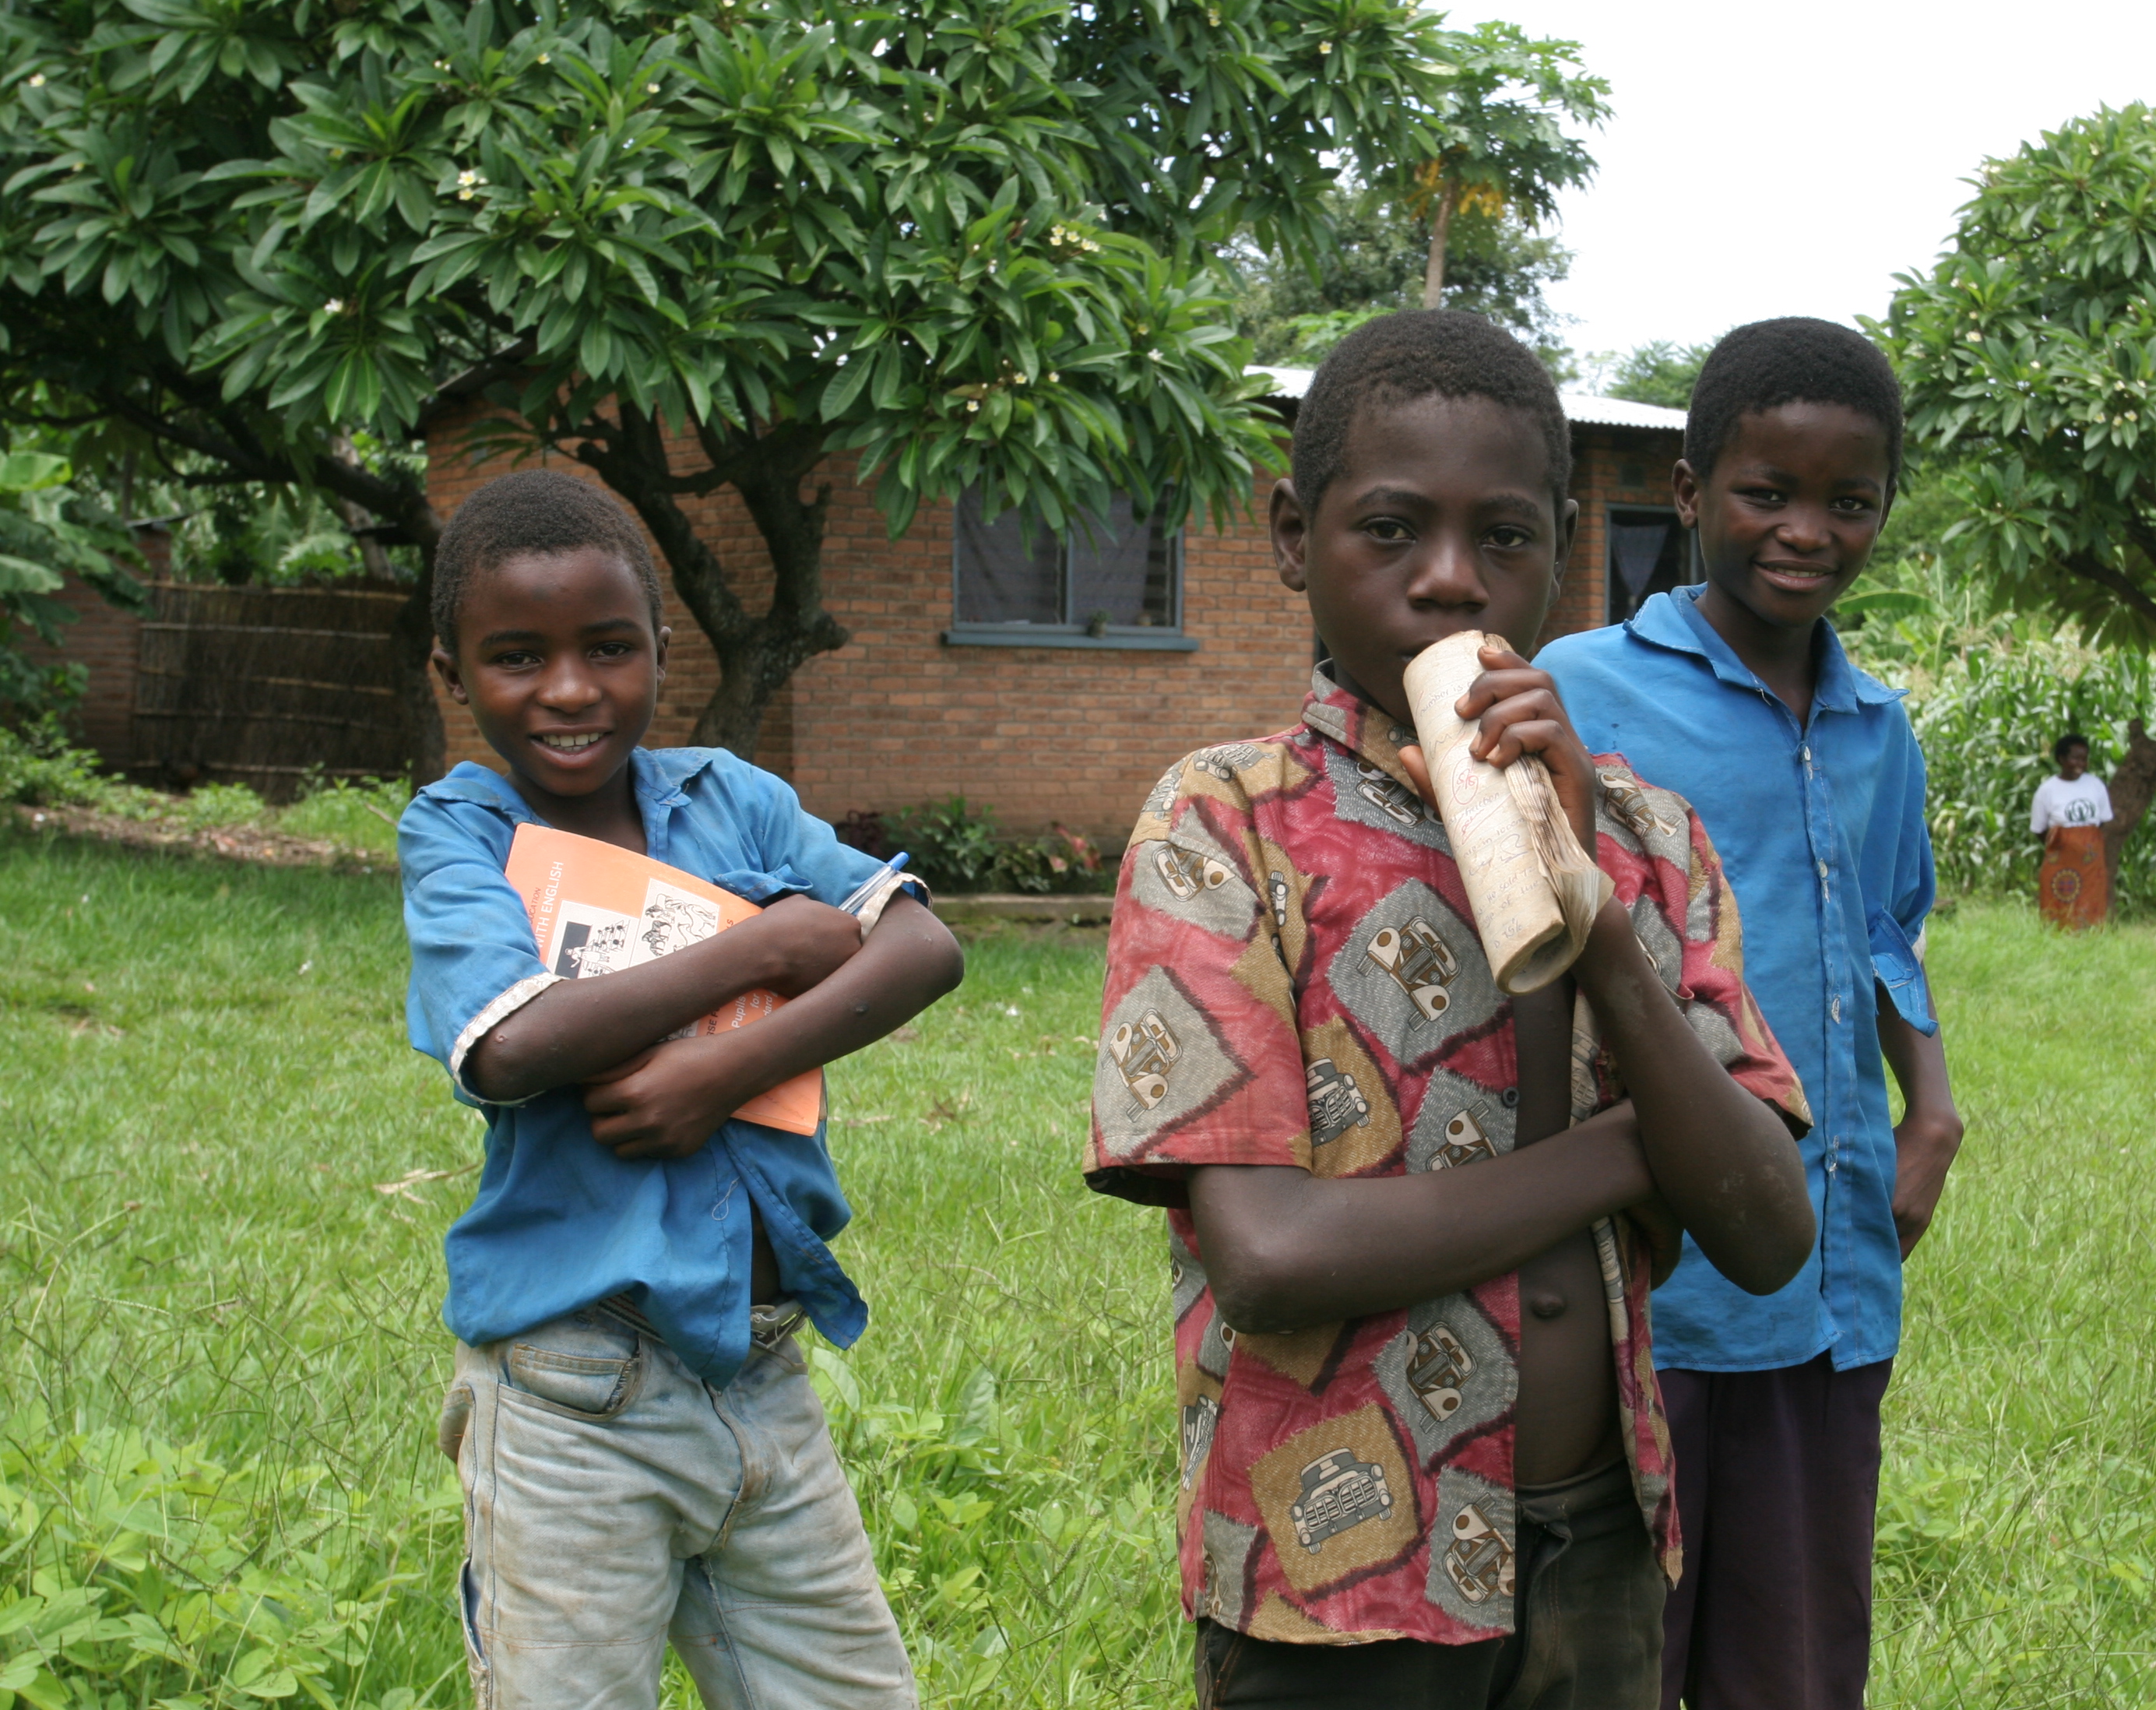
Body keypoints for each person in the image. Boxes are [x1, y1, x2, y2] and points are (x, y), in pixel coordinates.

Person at [1082, 311, 1817, 1710]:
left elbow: (1770, 1227)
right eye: (1389, 531)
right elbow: (1273, 1257)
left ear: (1561, 546)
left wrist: (1595, 920)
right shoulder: (1224, 823)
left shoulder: (1648, 834)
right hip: (1333, 1584)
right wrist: (1626, 1153)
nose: (1447, 582)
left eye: (1504, 539)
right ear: (1295, 537)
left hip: (1597, 1546)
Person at [400, 470, 964, 1707]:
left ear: (662, 647)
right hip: (567, 1397)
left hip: (763, 1379)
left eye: (609, 649)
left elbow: (924, 945)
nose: (568, 689)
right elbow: (510, 1043)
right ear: (452, 674)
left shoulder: (734, 799)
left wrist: (723, 1068)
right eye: (515, 657)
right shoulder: (462, 835)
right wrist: (764, 948)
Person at [1539, 317, 1961, 1710]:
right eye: (1764, 492)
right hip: (1648, 1280)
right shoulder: (1576, 694)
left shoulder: (1874, 726)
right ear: (1688, 485)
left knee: (1786, 1657)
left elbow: (1889, 935)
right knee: (1612, 1649)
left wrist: (1932, 1112)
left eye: (1848, 501)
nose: (1805, 531)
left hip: (1828, 1281)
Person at [2029, 732, 2114, 931]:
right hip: (2060, 860)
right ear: (2061, 759)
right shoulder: (2047, 790)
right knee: (2059, 900)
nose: (2081, 764)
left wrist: (2084, 842)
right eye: (2075, 758)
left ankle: (2090, 935)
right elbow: (2039, 829)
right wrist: (2063, 845)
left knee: (2091, 898)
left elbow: (2102, 821)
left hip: (2091, 861)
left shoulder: (2095, 785)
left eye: (2084, 759)